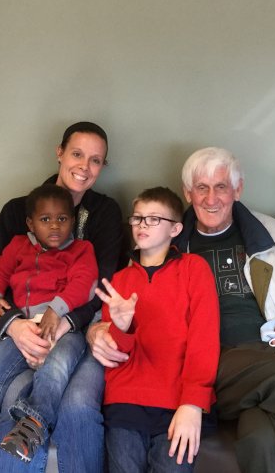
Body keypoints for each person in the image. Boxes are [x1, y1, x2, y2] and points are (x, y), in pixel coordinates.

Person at [90, 147, 275, 473]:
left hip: (261, 359)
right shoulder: (165, 239)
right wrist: (98, 330)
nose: (210, 198)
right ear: (187, 193)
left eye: (221, 187)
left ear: (238, 189)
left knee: (260, 439)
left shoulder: (271, 234)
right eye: (201, 188)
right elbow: (125, 301)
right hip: (203, 363)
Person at [0, 121, 123, 473]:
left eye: (95, 160)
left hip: (78, 329)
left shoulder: (104, 214)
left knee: (76, 402)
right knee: (3, 393)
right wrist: (15, 328)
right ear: (59, 153)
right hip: (21, 329)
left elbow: (99, 286)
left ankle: (35, 429)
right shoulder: (18, 212)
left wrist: (63, 321)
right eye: (77, 154)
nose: (84, 166)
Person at [0, 185, 98, 471]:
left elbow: (85, 283)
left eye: (62, 219)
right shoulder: (17, 246)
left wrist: (56, 310)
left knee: (56, 368)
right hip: (21, 328)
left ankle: (35, 421)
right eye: (45, 219)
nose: (55, 226)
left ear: (73, 220)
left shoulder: (81, 249)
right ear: (30, 223)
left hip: (64, 329)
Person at [94, 187, 219, 472]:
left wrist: (192, 403)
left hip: (177, 402)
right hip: (125, 401)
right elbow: (115, 355)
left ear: (175, 229)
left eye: (153, 219)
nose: (142, 225)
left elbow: (204, 339)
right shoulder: (119, 280)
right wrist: (121, 327)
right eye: (137, 218)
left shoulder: (194, 269)